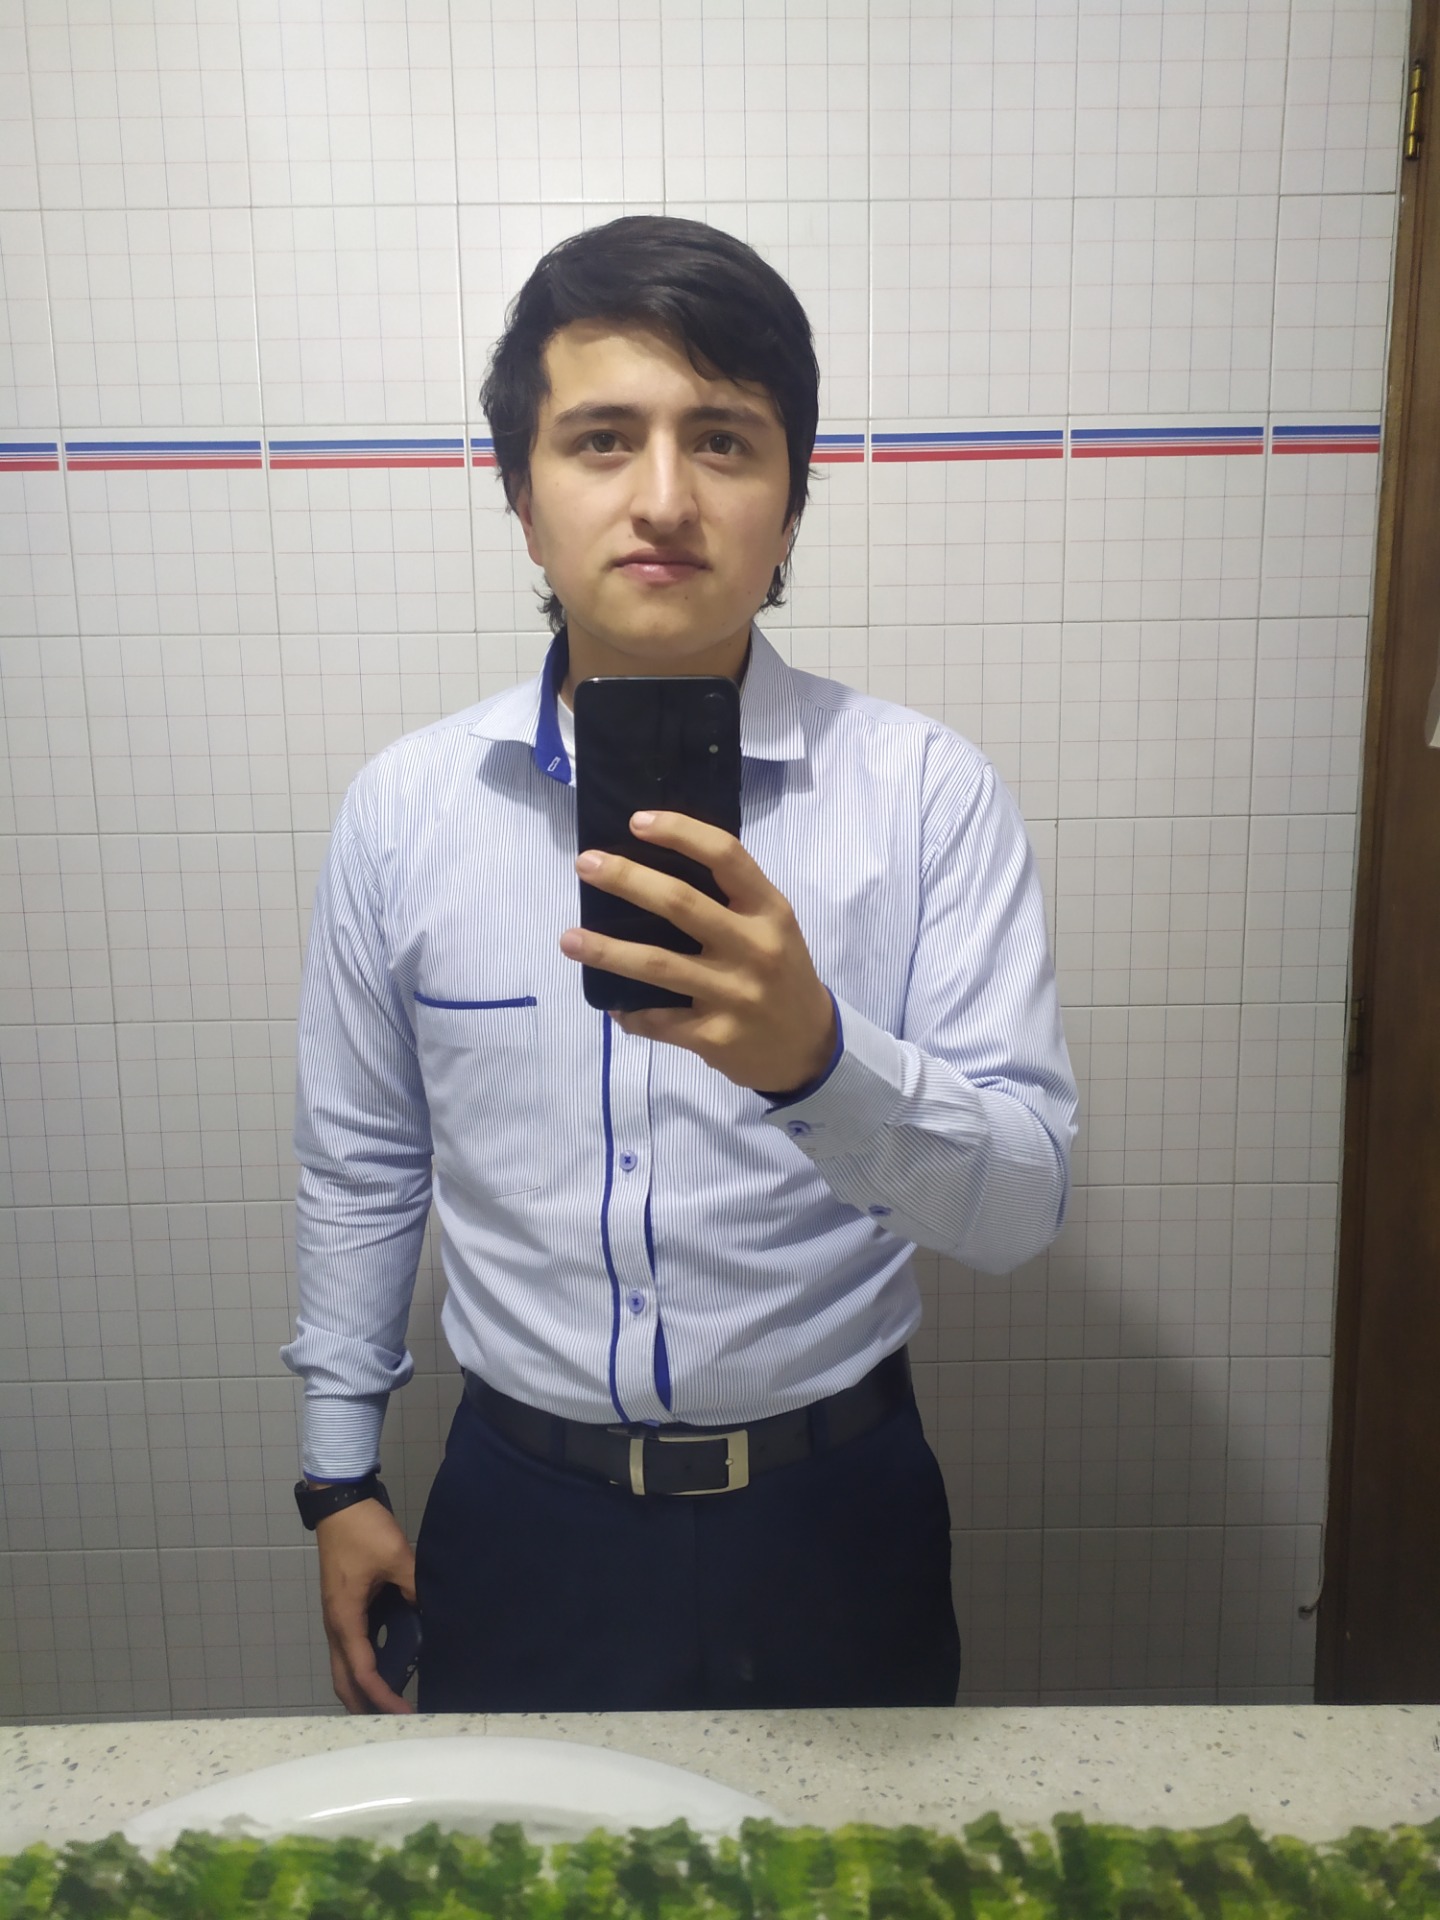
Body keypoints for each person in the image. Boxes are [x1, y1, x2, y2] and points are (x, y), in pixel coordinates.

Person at [282, 215, 1077, 1716]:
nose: (663, 498)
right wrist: (338, 1476)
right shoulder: (404, 813)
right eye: (601, 440)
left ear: (791, 503)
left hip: (835, 1512)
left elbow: (1022, 1207)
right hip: (521, 1512)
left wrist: (819, 1064)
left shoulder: (927, 797)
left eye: (723, 440)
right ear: (522, 498)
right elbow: (364, 1157)